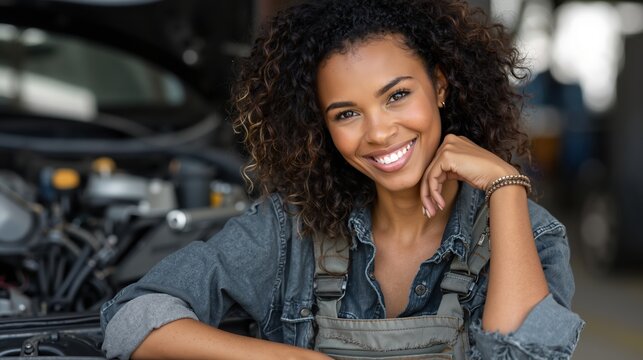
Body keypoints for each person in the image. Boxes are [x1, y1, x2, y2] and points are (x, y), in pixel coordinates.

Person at [100, 0, 584, 358]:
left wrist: (506, 184)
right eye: (347, 113)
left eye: (396, 96)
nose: (378, 132)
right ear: (323, 128)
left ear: (440, 85)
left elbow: (526, 355)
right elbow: (132, 320)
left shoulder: (529, 234)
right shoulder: (290, 231)